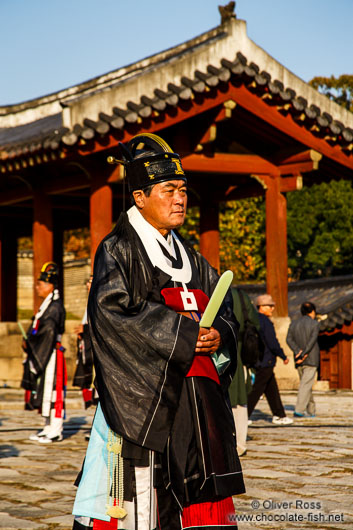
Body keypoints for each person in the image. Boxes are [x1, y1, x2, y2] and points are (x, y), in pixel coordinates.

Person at [72, 133, 244, 530]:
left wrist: (219, 334)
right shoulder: (118, 250)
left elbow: (227, 315)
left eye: (183, 190)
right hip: (143, 402)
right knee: (143, 503)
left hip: (200, 408)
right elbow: (110, 314)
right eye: (169, 190)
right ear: (139, 197)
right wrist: (184, 336)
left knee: (202, 502)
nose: (180, 199)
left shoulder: (195, 260)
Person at [21, 262, 66, 443]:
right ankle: (48, 426)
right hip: (45, 351)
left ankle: (56, 430)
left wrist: (32, 343)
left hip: (52, 353)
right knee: (44, 390)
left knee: (54, 391)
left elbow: (47, 332)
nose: (37, 288)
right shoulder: (47, 306)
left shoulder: (55, 307)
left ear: (50, 286)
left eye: (40, 284)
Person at [247, 294, 293, 425]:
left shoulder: (253, 319)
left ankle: (279, 414)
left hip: (259, 359)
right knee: (257, 389)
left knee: (271, 388)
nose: (272, 308)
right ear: (261, 307)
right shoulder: (265, 321)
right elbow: (272, 342)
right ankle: (244, 415)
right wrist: (283, 355)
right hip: (266, 359)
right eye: (269, 306)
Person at [229, 288, 260, 456]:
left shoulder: (204, 290)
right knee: (240, 401)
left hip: (212, 355)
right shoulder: (242, 296)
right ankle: (240, 443)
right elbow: (256, 324)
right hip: (239, 355)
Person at [286, 301, 320, 418]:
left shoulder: (294, 324)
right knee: (305, 385)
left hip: (298, 359)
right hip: (311, 359)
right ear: (312, 311)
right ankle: (299, 410)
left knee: (306, 384)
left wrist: (298, 352)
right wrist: (304, 353)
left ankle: (311, 410)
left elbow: (288, 339)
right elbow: (312, 341)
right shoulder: (315, 324)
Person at [73, 275, 97, 410]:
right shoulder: (90, 301)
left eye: (91, 282)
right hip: (86, 344)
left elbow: (101, 324)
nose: (88, 285)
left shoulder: (99, 301)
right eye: (87, 282)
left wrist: (86, 328)